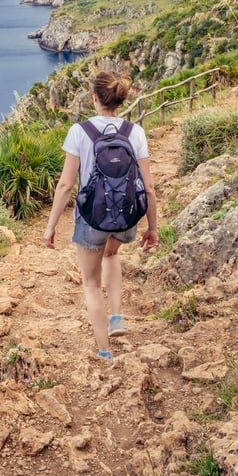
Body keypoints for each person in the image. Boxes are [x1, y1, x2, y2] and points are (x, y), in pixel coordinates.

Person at [43, 71, 158, 362]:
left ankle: (104, 350)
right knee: (111, 255)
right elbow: (149, 186)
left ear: (94, 98)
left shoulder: (79, 131)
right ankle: (117, 317)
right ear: (119, 100)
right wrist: (152, 227)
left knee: (91, 283)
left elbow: (66, 185)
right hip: (127, 218)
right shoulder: (135, 132)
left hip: (92, 220)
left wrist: (51, 225)